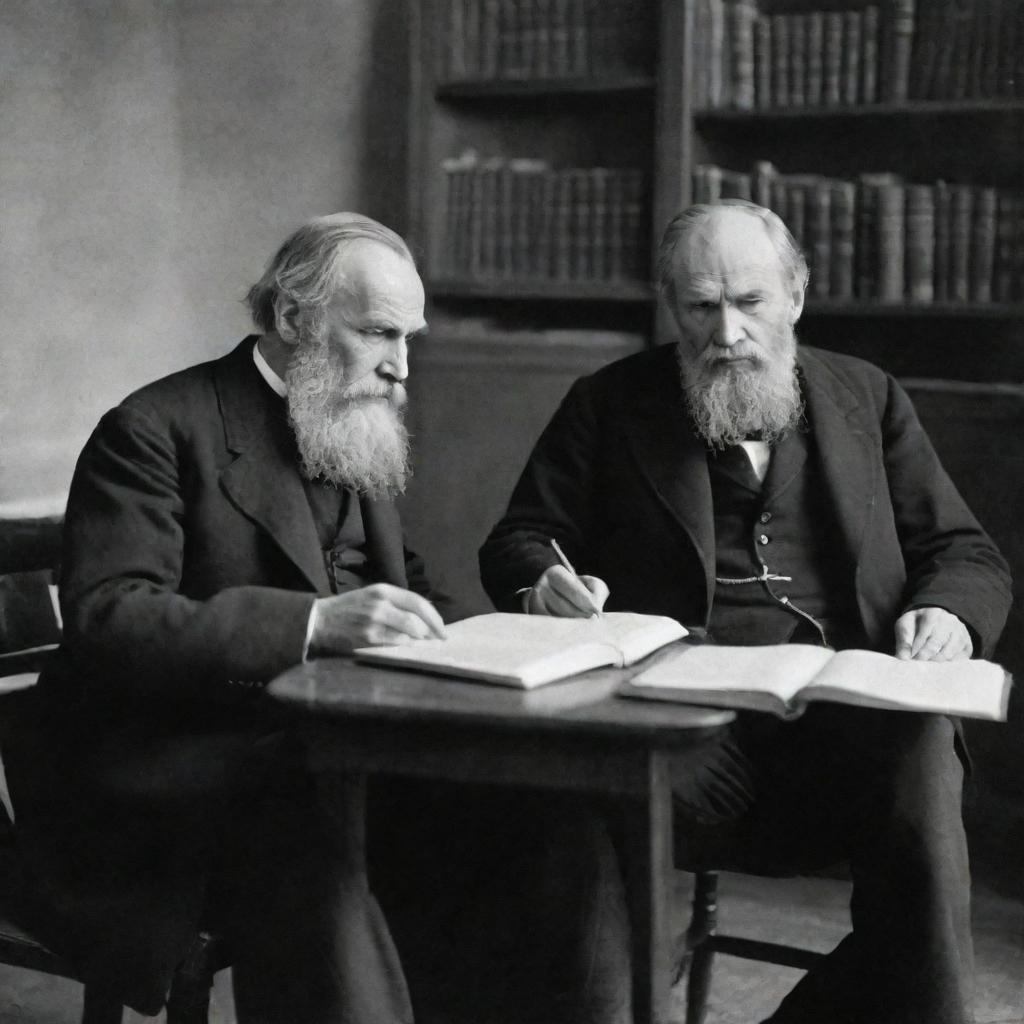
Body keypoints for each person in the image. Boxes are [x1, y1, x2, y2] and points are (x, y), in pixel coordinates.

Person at [479, 200, 1012, 1024]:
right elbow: (521, 539)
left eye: (750, 302)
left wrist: (950, 615)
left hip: (847, 745)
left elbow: (965, 553)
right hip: (676, 744)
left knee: (924, 755)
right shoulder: (610, 403)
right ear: (673, 308)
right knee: (568, 831)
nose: (725, 331)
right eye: (700, 306)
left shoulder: (866, 397)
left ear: (795, 297)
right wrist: (542, 581)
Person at [4, 213, 456, 1022]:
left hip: (317, 750)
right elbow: (112, 617)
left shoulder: (354, 421)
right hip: (159, 772)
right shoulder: (155, 428)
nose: (402, 368)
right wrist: (313, 626)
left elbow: (403, 588)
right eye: (380, 333)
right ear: (291, 320)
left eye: (409, 337)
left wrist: (510, 637)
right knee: (318, 839)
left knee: (522, 814)